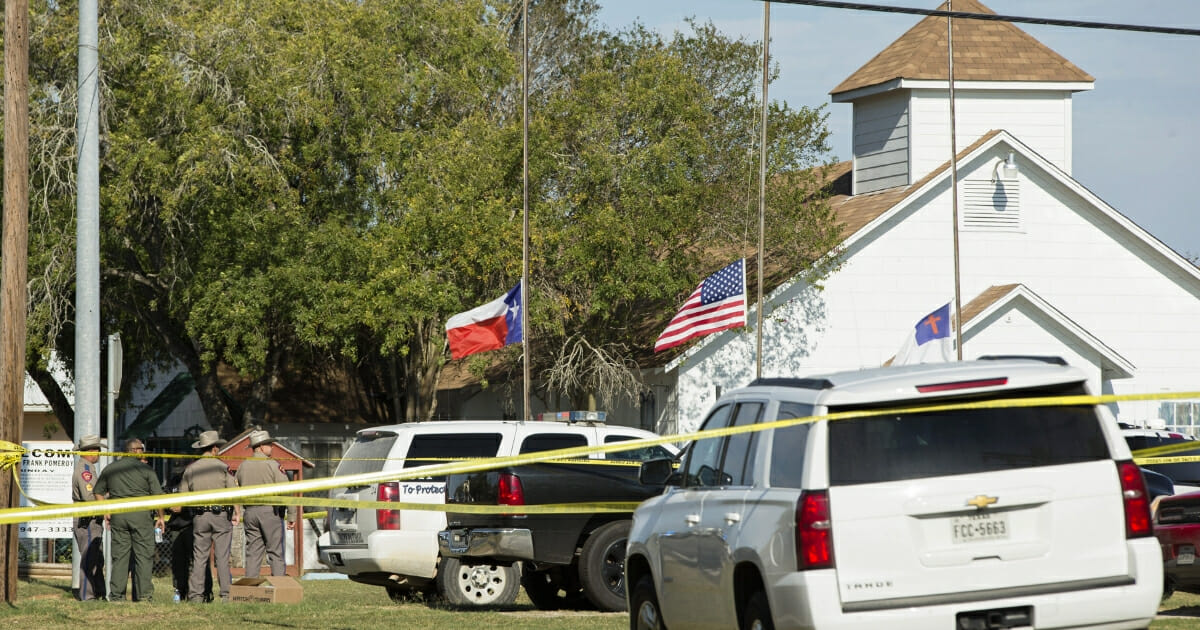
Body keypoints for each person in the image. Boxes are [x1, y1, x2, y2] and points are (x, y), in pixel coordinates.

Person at [93, 442, 166, 602]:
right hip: (141, 516)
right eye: (142, 449)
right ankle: (144, 595)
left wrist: (106, 510)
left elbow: (97, 491)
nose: (144, 453)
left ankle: (117, 596)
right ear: (135, 451)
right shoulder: (146, 469)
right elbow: (158, 496)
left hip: (119, 516)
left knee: (119, 557)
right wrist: (161, 517)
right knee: (143, 556)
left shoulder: (111, 468)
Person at [179, 430, 240, 602]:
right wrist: (237, 511)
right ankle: (226, 595)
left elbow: (182, 496)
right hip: (220, 515)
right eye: (218, 448)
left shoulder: (190, 469)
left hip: (199, 517)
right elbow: (233, 492)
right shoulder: (222, 467)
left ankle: (196, 596)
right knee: (222, 557)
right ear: (214, 449)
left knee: (200, 557)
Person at [235, 430, 293, 577]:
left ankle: (249, 589)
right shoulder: (272, 465)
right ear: (261, 447)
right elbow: (287, 490)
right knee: (275, 551)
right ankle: (280, 588)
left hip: (249, 513)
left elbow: (235, 489)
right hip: (270, 512)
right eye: (269, 444)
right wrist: (291, 514)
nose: (272, 447)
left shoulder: (243, 466)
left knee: (253, 553)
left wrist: (236, 511)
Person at [166, 471, 212, 603]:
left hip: (193, 525)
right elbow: (165, 495)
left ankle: (205, 592)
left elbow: (199, 499)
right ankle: (180, 592)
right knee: (178, 563)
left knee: (199, 560)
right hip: (176, 527)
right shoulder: (173, 480)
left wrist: (183, 507)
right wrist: (170, 506)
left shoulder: (197, 477)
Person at [72, 434, 106, 601]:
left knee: (97, 559)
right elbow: (90, 496)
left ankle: (99, 592)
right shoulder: (85, 470)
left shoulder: (89, 468)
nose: (99, 453)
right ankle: (87, 595)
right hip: (88, 520)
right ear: (91, 451)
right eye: (98, 450)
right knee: (89, 559)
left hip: (92, 519)